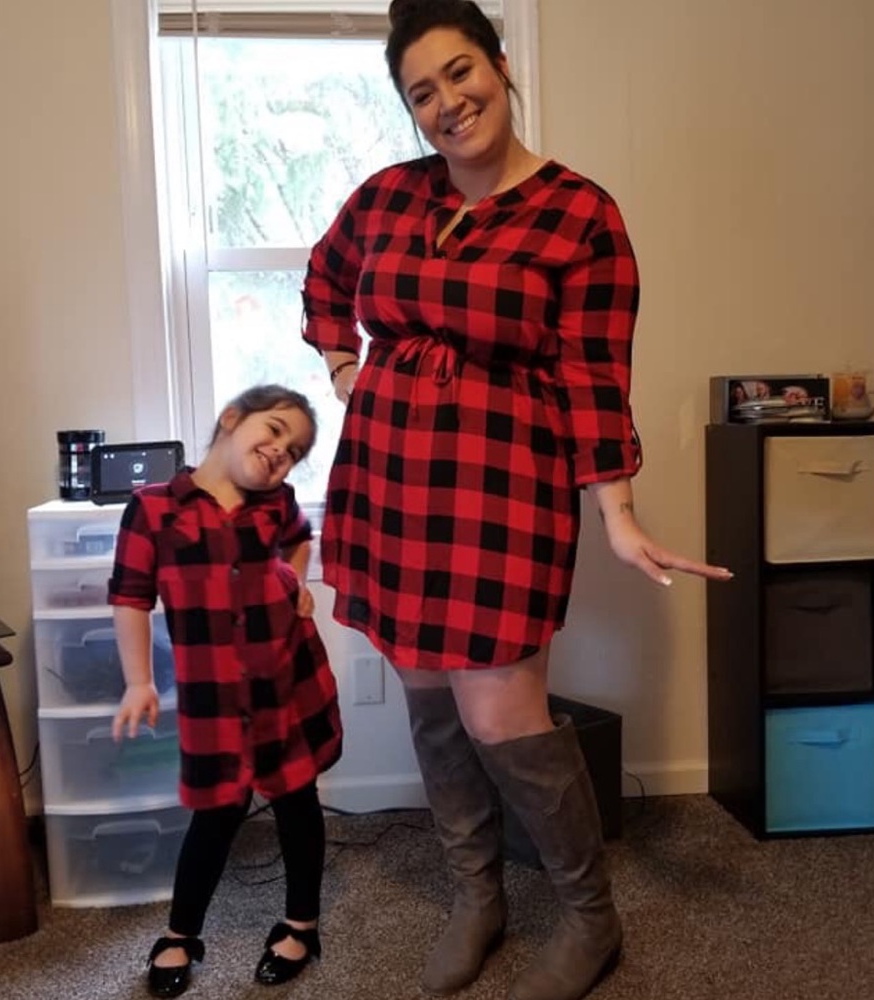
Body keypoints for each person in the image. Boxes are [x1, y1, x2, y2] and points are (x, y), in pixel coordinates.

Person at [301, 3, 733, 1000]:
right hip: (385, 479)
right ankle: (476, 893)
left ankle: (590, 915)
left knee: (501, 711)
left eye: (461, 72)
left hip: (502, 491)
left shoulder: (580, 214)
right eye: (422, 92)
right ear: (410, 111)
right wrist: (338, 364)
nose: (448, 102)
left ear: (500, 65)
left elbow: (593, 376)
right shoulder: (387, 197)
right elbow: (325, 277)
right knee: (426, 695)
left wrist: (616, 514)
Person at [108, 385, 343, 998]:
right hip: (212, 693)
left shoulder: (278, 503)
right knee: (216, 810)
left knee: (298, 801)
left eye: (293, 451)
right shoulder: (154, 508)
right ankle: (181, 934)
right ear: (232, 419)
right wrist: (138, 681)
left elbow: (298, 537)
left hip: (286, 681)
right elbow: (130, 597)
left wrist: (293, 576)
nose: (279, 453)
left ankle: (301, 925)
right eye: (273, 431)